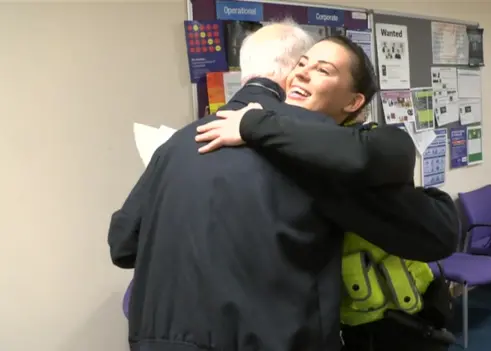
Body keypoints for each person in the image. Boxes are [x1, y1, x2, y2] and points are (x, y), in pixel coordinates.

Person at [108, 21, 455, 351]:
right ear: (287, 73)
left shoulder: (180, 142)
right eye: (303, 63)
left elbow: (124, 245)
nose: (303, 72)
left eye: (323, 69)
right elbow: (434, 231)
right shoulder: (314, 158)